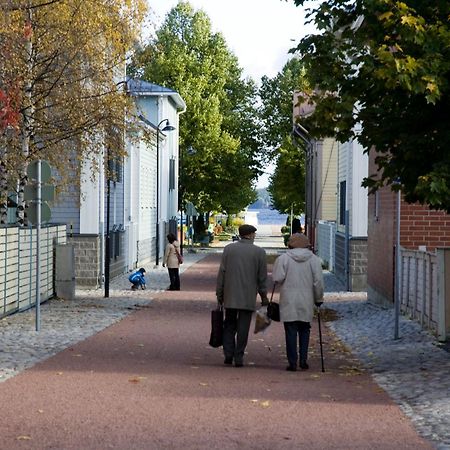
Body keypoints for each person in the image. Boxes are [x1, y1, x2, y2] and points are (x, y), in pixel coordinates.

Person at [216, 224, 268, 367]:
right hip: (248, 296)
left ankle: (228, 353)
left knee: (229, 324)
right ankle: (238, 356)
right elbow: (262, 277)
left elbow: (222, 273)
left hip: (230, 294)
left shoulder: (229, 249)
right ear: (250, 235)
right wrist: (264, 296)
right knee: (243, 327)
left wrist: (219, 293)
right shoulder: (259, 252)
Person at [272, 233, 324, 371]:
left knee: (290, 330)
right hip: (306, 299)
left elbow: (277, 278)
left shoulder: (283, 259)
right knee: (305, 329)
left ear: (290, 244)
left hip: (289, 299)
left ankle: (292, 362)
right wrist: (319, 299)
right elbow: (318, 282)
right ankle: (303, 360)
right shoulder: (314, 260)